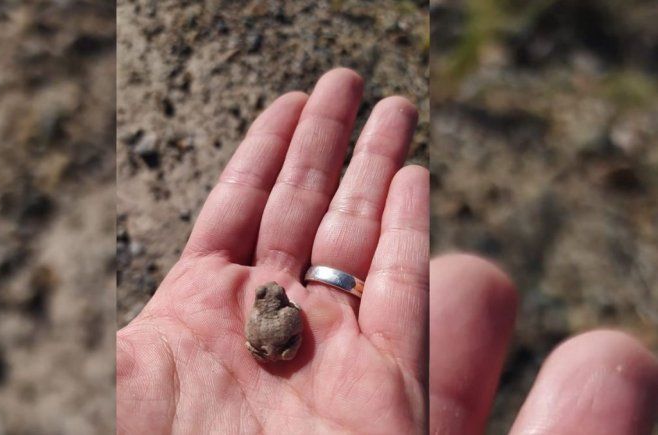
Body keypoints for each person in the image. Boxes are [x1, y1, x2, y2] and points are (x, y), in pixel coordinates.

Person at [117, 69, 658, 434]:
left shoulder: (279, 307)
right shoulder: (272, 311)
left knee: (466, 296)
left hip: (276, 347)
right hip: (273, 347)